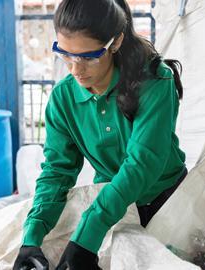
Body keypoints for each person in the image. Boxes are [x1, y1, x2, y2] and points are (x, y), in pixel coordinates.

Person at [13, 0, 186, 269]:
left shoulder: (155, 82)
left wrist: (88, 235)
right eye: (65, 53)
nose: (75, 69)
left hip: (169, 201)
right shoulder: (63, 99)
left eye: (88, 57)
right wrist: (31, 238)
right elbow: (57, 172)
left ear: (114, 43)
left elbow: (142, 164)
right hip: (112, 204)